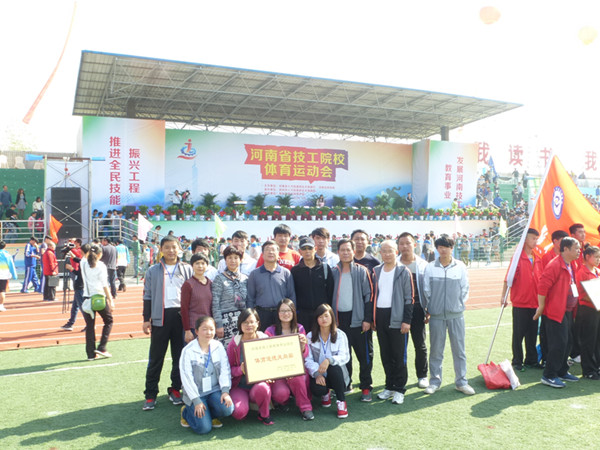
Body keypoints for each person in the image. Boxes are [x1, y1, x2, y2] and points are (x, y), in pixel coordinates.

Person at [142, 236, 194, 411]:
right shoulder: (153, 271)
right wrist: (146, 319)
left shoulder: (187, 269)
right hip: (161, 318)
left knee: (179, 357)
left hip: (181, 318)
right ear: (161, 249)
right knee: (156, 358)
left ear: (179, 249)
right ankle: (150, 394)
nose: (171, 251)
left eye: (174, 247)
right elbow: (147, 295)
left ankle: (175, 389)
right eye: (167, 247)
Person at [422, 235, 475, 395]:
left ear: (452, 248)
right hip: (437, 315)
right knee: (436, 350)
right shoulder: (430, 267)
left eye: (446, 247)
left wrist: (457, 305)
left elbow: (465, 288)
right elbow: (426, 290)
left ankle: (461, 382)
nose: (443, 250)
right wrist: (432, 307)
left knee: (459, 350)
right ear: (437, 249)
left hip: (456, 315)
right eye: (440, 247)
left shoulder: (460, 266)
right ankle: (434, 382)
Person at [534, 237, 581, 388]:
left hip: (567, 310)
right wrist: (541, 307)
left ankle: (561, 370)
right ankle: (549, 375)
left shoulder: (571, 264)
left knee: (568, 342)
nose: (579, 251)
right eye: (576, 248)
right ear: (565, 249)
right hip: (555, 311)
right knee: (558, 343)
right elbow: (543, 286)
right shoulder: (554, 265)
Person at [331, 238, 374, 401]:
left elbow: (369, 295)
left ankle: (366, 387)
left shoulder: (361, 271)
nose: (345, 253)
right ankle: (346, 384)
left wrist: (367, 319)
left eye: (348, 250)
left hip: (359, 319)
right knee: (343, 354)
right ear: (338, 252)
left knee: (364, 356)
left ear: (354, 252)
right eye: (342, 250)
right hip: (339, 320)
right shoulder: (333, 272)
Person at [373, 240, 413, 405]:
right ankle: (389, 386)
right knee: (386, 354)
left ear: (396, 252)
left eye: (390, 251)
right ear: (380, 253)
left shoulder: (403, 271)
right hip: (380, 316)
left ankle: (399, 389)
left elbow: (409, 298)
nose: (387, 254)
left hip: (397, 316)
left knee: (399, 355)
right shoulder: (376, 271)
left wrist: (406, 321)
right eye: (384, 251)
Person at [179, 316, 234, 434]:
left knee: (228, 409)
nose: (209, 332)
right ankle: (186, 413)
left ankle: (208, 414)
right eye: (204, 329)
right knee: (204, 428)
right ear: (196, 331)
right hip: (197, 393)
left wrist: (225, 391)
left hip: (214, 390)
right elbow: (186, 378)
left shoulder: (218, 346)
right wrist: (196, 400)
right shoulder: (188, 351)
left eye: (211, 329)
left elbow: (225, 369)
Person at [264, 299, 314, 420]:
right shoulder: (270, 331)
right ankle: (283, 401)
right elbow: (267, 356)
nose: (285, 314)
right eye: (282, 311)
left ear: (293, 312)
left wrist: (303, 346)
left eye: (288, 310)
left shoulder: (300, 328)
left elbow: (305, 354)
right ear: (277, 313)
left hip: (296, 369)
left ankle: (305, 408)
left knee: (298, 376)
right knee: (281, 394)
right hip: (278, 371)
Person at [500, 228, 543, 371]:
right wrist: (503, 296)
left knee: (532, 334)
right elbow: (508, 278)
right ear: (525, 239)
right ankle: (517, 361)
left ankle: (531, 360)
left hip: (534, 302)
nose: (535, 241)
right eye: (533, 238)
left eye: (536, 239)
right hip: (521, 303)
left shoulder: (538, 258)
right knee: (518, 334)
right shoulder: (518, 258)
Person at [227, 308, 274, 425]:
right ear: (240, 324)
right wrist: (240, 370)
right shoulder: (234, 344)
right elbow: (228, 370)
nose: (249, 325)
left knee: (263, 387)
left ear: (257, 323)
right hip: (239, 386)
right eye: (245, 322)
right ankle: (245, 404)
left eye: (252, 322)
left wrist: (270, 375)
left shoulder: (265, 340)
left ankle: (264, 414)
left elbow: (272, 364)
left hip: (258, 385)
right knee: (239, 413)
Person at [305, 303, 350, 419]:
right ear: (316, 319)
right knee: (317, 389)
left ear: (332, 317)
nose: (324, 319)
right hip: (320, 374)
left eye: (326, 316)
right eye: (320, 317)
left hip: (338, 376)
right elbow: (308, 359)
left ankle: (341, 402)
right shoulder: (310, 336)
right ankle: (325, 393)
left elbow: (345, 356)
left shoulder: (340, 335)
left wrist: (329, 360)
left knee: (334, 368)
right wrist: (317, 373)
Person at [397, 232, 430, 389]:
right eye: (401, 243)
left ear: (414, 244)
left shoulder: (423, 265)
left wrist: (428, 308)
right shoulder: (394, 263)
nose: (405, 246)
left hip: (418, 309)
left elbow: (428, 288)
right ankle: (399, 378)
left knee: (420, 344)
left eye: (408, 243)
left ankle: (422, 375)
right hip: (398, 311)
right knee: (399, 347)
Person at [247, 240, 296, 330]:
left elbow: (291, 296)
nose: (270, 252)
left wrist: (292, 314)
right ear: (262, 254)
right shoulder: (254, 274)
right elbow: (250, 298)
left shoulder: (286, 273)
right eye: (267, 250)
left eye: (273, 250)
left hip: (282, 314)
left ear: (278, 254)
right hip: (262, 314)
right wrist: (251, 316)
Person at [290, 236, 334, 330]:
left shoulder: (325, 268)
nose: (307, 251)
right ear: (300, 251)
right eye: (304, 248)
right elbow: (293, 293)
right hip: (302, 315)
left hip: (322, 314)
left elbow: (330, 291)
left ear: (315, 249)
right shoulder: (295, 271)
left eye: (310, 248)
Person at [80, 244, 114, 360]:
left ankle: (91, 354)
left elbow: (84, 257)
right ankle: (102, 346)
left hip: (86, 298)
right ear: (100, 254)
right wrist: (110, 300)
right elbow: (105, 284)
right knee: (108, 321)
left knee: (90, 326)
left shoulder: (83, 263)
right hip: (98, 297)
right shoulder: (101, 266)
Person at [212, 246, 248, 347]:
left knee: (243, 351)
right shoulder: (219, 279)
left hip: (243, 321)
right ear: (225, 260)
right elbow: (215, 303)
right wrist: (218, 324)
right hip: (226, 322)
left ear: (240, 260)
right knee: (228, 352)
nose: (233, 260)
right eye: (230, 257)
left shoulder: (245, 279)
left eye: (236, 257)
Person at [575, 245, 600, 380]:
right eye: (596, 257)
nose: (598, 259)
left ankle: (597, 366)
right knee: (588, 340)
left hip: (597, 309)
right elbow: (582, 295)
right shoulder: (582, 272)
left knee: (597, 340)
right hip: (588, 310)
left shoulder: (597, 271)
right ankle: (588, 369)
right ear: (587, 257)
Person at [181, 253, 213, 344]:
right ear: (192, 265)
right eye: (197, 263)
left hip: (208, 327)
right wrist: (187, 330)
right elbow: (184, 309)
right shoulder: (188, 284)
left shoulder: (210, 283)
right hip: (193, 328)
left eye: (203, 263)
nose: (200, 266)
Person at [61, 240, 85, 331]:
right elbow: (75, 258)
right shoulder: (83, 261)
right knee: (75, 306)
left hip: (80, 286)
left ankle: (89, 324)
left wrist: (71, 269)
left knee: (82, 306)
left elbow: (79, 273)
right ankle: (70, 323)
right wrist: (69, 250)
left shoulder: (85, 262)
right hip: (78, 285)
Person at [0, 240, 18, 312]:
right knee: (2, 291)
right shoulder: (7, 255)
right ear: (4, 246)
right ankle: (1, 306)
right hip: (3, 275)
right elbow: (11, 266)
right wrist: (14, 275)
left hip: (3, 275)